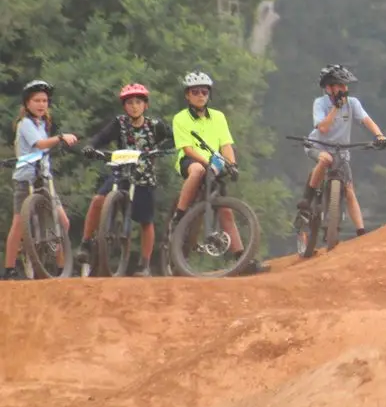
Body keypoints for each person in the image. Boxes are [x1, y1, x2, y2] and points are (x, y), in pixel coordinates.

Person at [170, 71, 265, 275]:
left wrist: (232, 164)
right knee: (196, 171)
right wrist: (207, 163)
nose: (200, 95)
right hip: (192, 161)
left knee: (226, 211)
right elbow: (187, 149)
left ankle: (241, 257)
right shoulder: (180, 118)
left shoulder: (219, 117)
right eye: (195, 92)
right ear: (187, 95)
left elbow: (226, 145)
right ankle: (179, 215)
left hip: (216, 164)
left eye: (204, 91)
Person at [78, 83, 172, 276]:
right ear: (124, 106)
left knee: (146, 221)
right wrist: (91, 147)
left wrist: (160, 149)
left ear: (145, 105)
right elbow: (100, 138)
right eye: (130, 103)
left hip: (143, 176)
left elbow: (174, 137)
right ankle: (85, 243)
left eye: (138, 102)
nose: (134, 106)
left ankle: (144, 264)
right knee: (98, 200)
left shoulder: (155, 125)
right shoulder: (119, 123)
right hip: (120, 173)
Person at [297, 63, 386, 239]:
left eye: (345, 86)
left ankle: (361, 231)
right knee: (325, 160)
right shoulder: (320, 103)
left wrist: (379, 135)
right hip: (317, 145)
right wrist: (336, 108)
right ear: (329, 88)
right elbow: (323, 128)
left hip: (340, 151)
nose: (344, 90)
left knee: (349, 190)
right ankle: (307, 200)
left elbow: (367, 120)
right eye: (340, 86)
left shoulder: (353, 103)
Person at [3, 81, 78, 280]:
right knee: (18, 224)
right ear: (27, 104)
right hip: (25, 179)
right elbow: (40, 144)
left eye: (44, 100)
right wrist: (60, 138)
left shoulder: (43, 123)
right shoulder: (25, 124)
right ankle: (9, 268)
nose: (41, 104)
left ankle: (62, 266)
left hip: (44, 178)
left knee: (62, 221)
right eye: (36, 100)